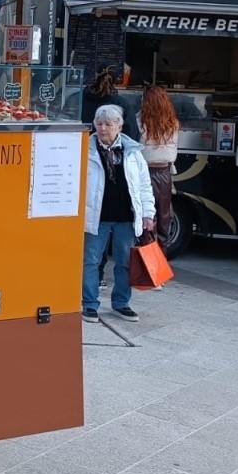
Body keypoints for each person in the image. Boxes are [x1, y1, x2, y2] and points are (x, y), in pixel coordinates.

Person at [83, 104, 156, 324]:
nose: (103, 128)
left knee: (124, 262)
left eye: (108, 124)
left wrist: (147, 213)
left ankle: (121, 303)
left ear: (120, 126)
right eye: (99, 123)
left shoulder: (133, 151)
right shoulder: (86, 149)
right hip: (97, 215)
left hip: (126, 215)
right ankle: (89, 304)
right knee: (91, 261)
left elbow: (144, 184)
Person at [137, 85, 180, 240]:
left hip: (145, 172)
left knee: (146, 218)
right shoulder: (173, 123)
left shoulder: (140, 122)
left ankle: (147, 253)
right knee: (164, 218)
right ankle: (161, 256)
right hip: (165, 173)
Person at [82, 67, 138, 140]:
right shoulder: (123, 104)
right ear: (117, 80)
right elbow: (131, 134)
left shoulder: (77, 99)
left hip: (81, 147)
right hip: (112, 149)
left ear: (95, 75)